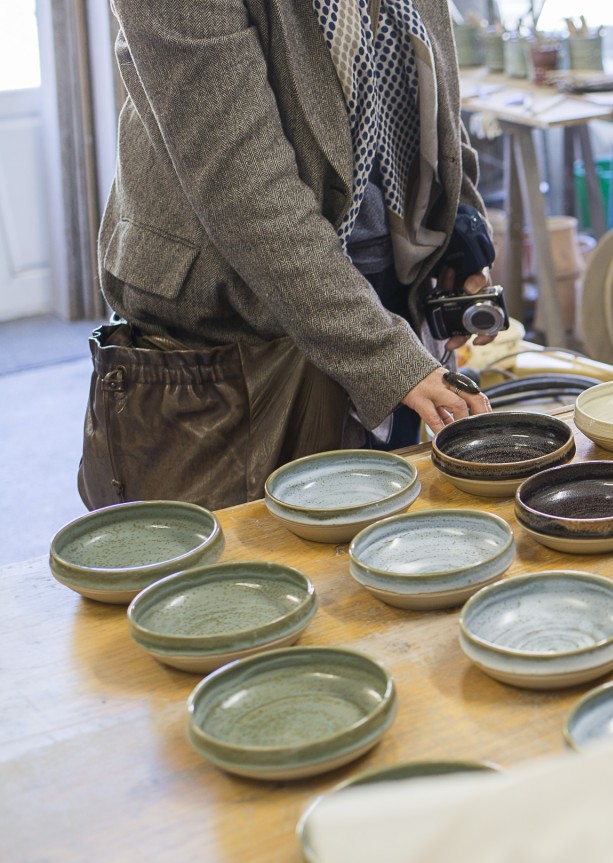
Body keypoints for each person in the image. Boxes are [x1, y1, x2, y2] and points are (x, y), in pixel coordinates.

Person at [81, 0, 498, 510]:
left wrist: (459, 224)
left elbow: (426, 78)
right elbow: (246, 187)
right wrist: (385, 357)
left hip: (390, 293)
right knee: (257, 545)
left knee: (398, 526)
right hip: (244, 321)